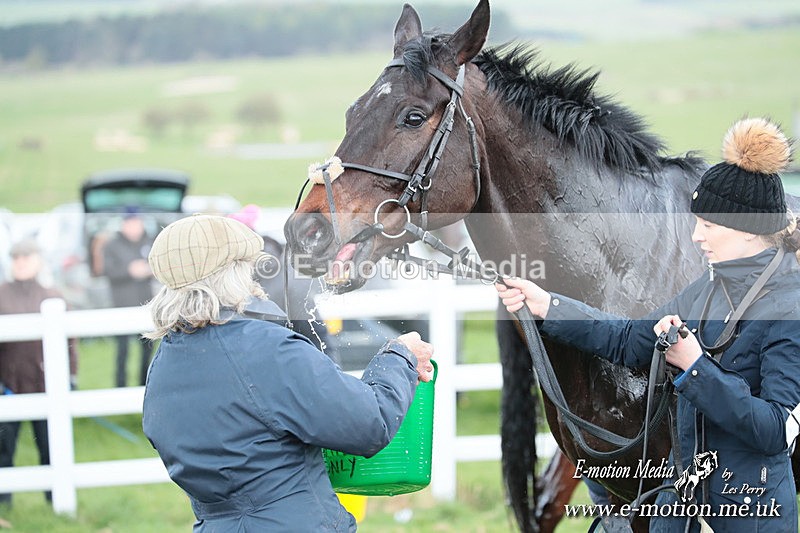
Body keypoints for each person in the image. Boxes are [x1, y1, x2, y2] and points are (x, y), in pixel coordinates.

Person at [496, 117, 800, 532]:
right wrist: (547, 305)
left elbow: (773, 431)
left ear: (748, 231)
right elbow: (628, 339)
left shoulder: (789, 309)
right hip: (683, 505)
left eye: (708, 225)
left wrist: (695, 368)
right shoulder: (708, 290)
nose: (697, 237)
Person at [141, 214, 434, 532]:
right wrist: (399, 356)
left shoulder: (164, 364)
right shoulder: (265, 347)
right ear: (234, 273)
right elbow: (369, 423)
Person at [0, 239, 79, 506]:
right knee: (3, 450)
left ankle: (56, 503)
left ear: (38, 260)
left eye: (26, 256)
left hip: (47, 385)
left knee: (51, 448)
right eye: (15, 257)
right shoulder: (0, 294)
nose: (20, 262)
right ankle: (4, 503)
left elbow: (71, 343)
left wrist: (70, 377)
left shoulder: (53, 296)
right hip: (8, 386)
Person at [102, 210, 154, 387]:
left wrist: (148, 270)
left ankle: (144, 383)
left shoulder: (150, 241)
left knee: (147, 348)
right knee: (122, 350)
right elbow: (107, 271)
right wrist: (129, 270)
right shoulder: (112, 245)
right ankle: (120, 385)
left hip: (145, 304)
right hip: (122, 304)